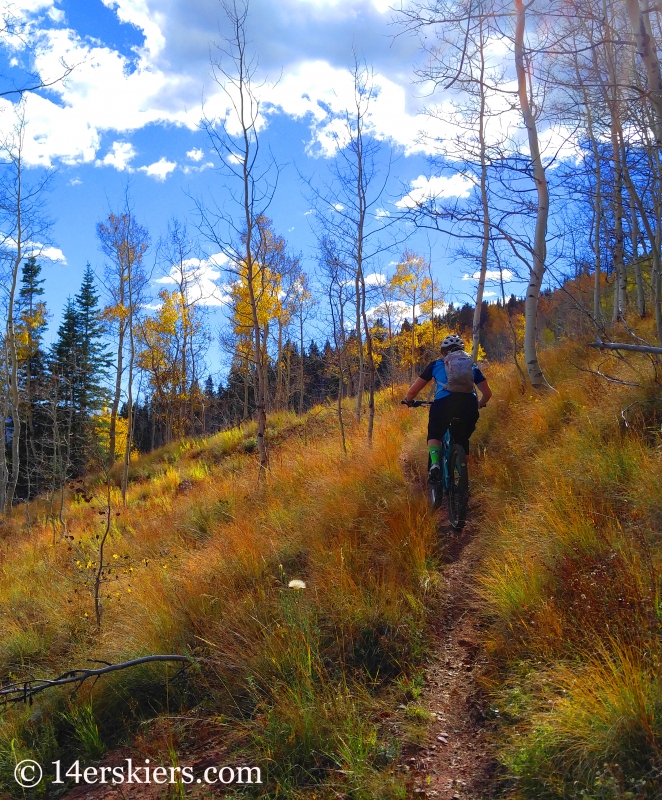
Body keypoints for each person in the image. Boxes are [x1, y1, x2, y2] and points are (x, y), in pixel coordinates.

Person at [402, 334, 492, 482]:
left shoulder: (436, 364)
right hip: (469, 405)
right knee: (462, 439)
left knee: (435, 433)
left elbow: (413, 391)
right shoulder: (472, 365)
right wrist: (479, 404)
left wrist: (409, 400)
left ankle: (435, 464)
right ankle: (464, 479)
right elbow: (487, 393)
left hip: (443, 404)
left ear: (443, 352)